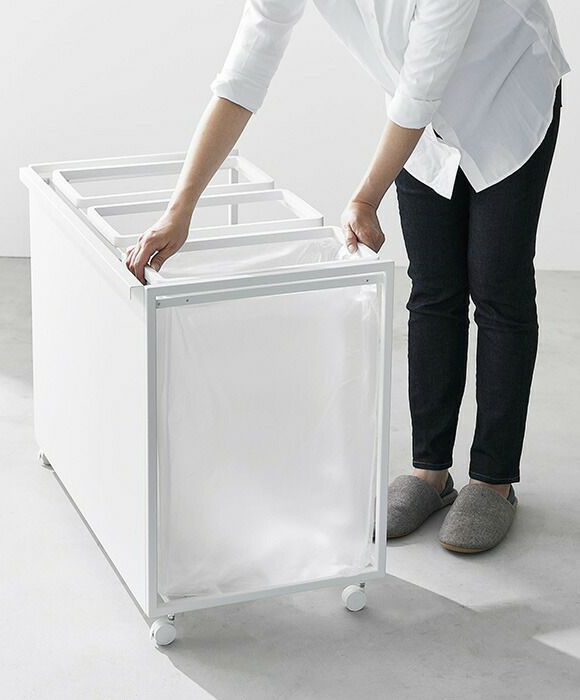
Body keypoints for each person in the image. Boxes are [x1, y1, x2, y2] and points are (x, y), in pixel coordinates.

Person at [125, 0, 569, 553]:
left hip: (506, 91)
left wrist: (364, 197)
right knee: (433, 288)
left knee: (497, 287)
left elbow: (422, 87)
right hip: (418, 127)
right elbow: (243, 76)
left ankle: (494, 480)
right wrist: (181, 208)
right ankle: (430, 472)